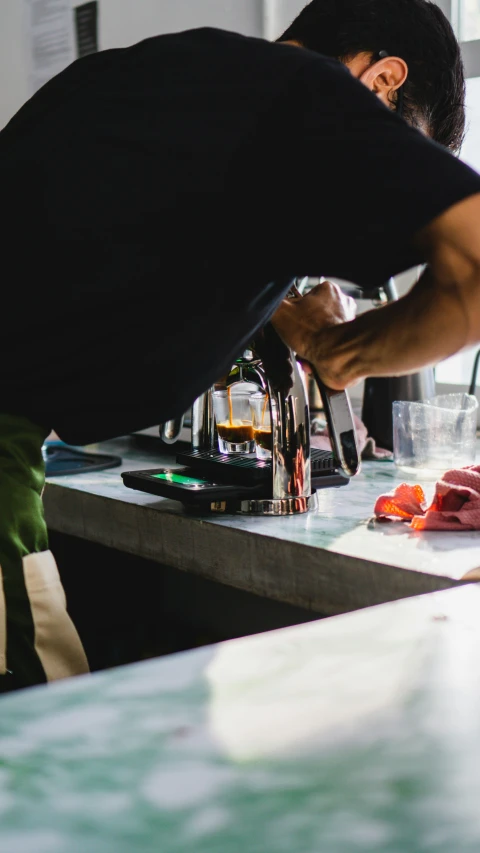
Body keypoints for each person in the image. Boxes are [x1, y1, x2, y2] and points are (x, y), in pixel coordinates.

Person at [1, 0, 479, 690]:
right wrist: (347, 352)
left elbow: (129, 246)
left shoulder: (144, 78)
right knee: (35, 743)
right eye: (409, 148)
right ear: (381, 82)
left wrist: (282, 313)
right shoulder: (308, 92)